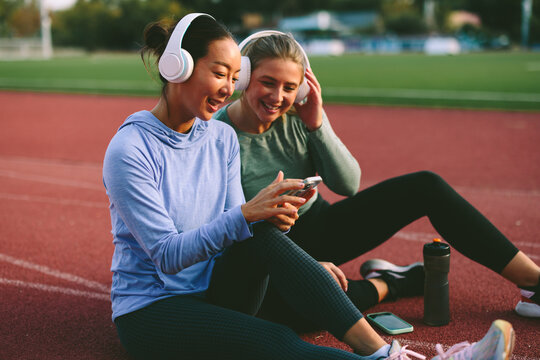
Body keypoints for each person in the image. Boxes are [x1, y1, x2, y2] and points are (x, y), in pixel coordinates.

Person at [102, 13, 516, 360]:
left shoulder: (219, 138)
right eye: (219, 73)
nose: (229, 88)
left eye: (233, 77)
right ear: (179, 66)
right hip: (153, 312)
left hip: (215, 287)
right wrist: (249, 214)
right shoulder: (130, 149)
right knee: (277, 340)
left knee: (262, 235)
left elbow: (243, 236)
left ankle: (384, 354)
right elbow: (167, 256)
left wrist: (302, 270)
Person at [214, 30, 540, 325]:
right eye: (268, 83)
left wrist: (317, 124)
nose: (278, 97)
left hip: (318, 226)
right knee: (297, 310)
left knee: (426, 185)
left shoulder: (300, 118)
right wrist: (303, 267)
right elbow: (217, 227)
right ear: (242, 78)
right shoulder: (215, 135)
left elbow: (348, 185)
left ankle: (533, 282)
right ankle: (392, 282)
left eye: (289, 87)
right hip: (263, 250)